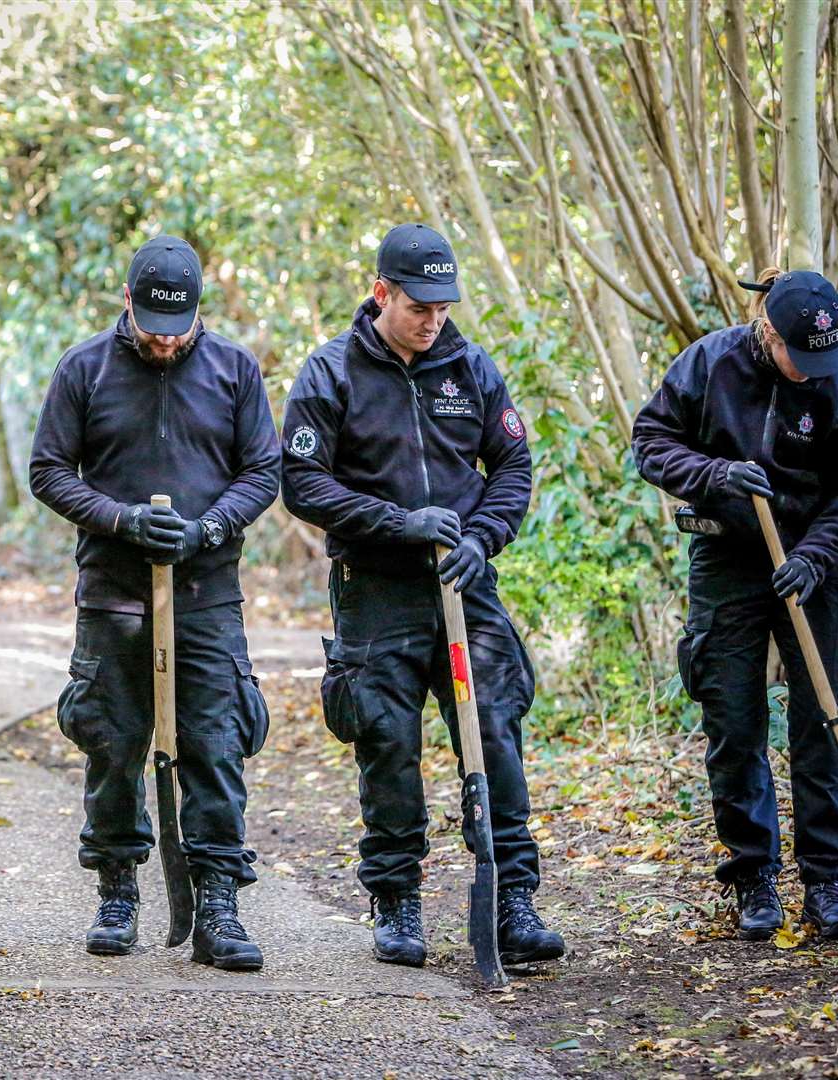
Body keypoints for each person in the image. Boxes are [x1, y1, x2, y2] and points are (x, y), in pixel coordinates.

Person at [280, 224, 564, 970]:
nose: (433, 320)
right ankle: (396, 900)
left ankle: (513, 897)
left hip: (465, 586)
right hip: (376, 591)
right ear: (383, 293)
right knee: (386, 744)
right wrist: (397, 523)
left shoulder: (471, 368)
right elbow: (303, 483)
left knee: (495, 730)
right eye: (419, 307)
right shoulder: (329, 373)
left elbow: (511, 466)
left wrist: (481, 539)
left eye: (443, 307)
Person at [30, 235, 281, 971]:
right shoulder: (84, 369)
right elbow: (49, 470)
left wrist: (208, 527)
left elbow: (262, 471)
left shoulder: (234, 369)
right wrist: (120, 519)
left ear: (199, 312)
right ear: (129, 305)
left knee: (216, 743)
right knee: (113, 742)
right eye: (152, 327)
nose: (166, 341)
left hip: (206, 592)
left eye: (179, 328)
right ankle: (117, 888)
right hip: (114, 593)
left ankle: (219, 901)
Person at [633, 268, 838, 942]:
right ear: (768, 332)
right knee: (734, 721)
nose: (811, 372)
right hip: (728, 556)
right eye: (798, 357)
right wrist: (714, 475)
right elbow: (649, 442)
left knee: (823, 719)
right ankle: (753, 877)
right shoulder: (708, 364)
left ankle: (829, 881)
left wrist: (818, 554)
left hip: (810, 561)